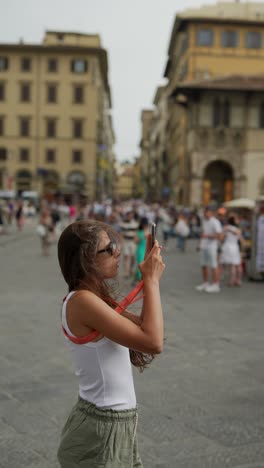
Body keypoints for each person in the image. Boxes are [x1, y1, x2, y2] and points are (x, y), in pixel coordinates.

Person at [57, 220, 165, 467]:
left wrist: (149, 280)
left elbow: (145, 326)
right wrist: (151, 280)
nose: (118, 252)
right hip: (101, 430)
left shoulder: (93, 298)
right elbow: (153, 341)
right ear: (87, 259)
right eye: (109, 248)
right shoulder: (82, 301)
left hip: (110, 423)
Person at [196, 206, 223, 293]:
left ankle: (216, 284)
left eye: (206, 212)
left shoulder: (215, 222)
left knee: (214, 265)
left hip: (212, 247)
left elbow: (220, 236)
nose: (204, 214)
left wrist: (207, 236)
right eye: (204, 212)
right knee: (203, 265)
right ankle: (206, 283)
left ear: (211, 213)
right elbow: (203, 233)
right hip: (204, 246)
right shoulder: (204, 221)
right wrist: (199, 244)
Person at [220, 215, 243, 286]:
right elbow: (241, 240)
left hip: (227, 247)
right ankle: (238, 280)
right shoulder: (237, 229)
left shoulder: (226, 228)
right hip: (235, 247)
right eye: (237, 219)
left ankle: (231, 281)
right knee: (237, 264)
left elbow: (221, 238)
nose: (238, 221)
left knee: (231, 265)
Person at [134, 217, 149, 281]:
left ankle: (140, 277)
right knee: (140, 262)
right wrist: (142, 237)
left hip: (146, 248)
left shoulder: (148, 230)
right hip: (140, 248)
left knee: (146, 263)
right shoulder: (138, 231)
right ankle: (140, 278)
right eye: (144, 224)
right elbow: (135, 241)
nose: (145, 226)